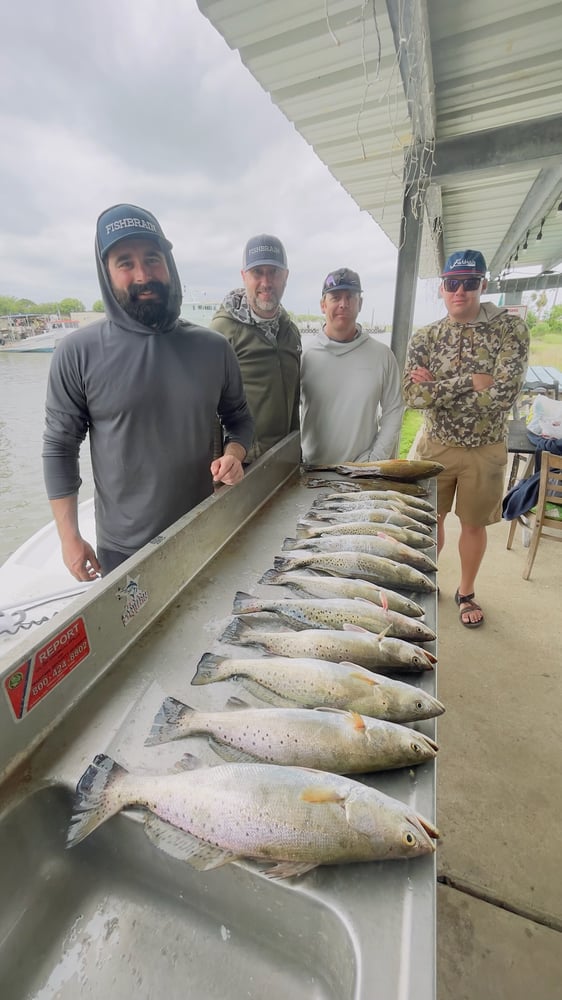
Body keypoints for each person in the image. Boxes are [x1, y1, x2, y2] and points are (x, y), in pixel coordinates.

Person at [43, 203, 254, 581]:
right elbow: (60, 448)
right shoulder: (76, 352)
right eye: (125, 262)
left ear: (169, 265)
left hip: (205, 525)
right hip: (123, 549)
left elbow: (238, 418)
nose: (143, 274)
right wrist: (68, 536)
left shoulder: (213, 347)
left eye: (152, 259)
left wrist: (235, 454)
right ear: (106, 272)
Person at [403, 249, 530, 628]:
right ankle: (424, 580)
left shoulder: (509, 330)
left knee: (473, 524)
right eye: (452, 283)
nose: (460, 291)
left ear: (482, 285)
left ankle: (466, 591)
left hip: (484, 448)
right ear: (442, 287)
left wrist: (437, 389)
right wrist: (469, 382)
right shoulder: (426, 336)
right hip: (435, 444)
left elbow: (503, 396)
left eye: (469, 283)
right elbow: (412, 396)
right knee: (429, 520)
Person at [300, 267, 404, 466]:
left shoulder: (382, 355)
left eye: (350, 297)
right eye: (335, 297)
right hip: (311, 470)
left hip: (361, 472)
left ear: (360, 304)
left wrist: (374, 460)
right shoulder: (305, 356)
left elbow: (394, 410)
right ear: (323, 305)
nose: (343, 304)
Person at [210, 234, 301, 463]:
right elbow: (206, 410)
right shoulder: (221, 332)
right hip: (244, 465)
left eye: (274, 272)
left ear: (286, 277)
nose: (266, 282)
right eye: (257, 272)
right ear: (244, 276)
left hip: (286, 459)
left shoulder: (291, 332)